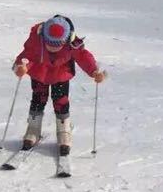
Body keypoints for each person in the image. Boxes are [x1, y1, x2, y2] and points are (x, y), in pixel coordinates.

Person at [12, 15, 106, 157]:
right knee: (38, 100)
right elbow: (27, 55)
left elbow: (83, 56)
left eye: (57, 45)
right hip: (39, 73)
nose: (52, 48)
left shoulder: (72, 43)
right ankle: (33, 129)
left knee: (61, 101)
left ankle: (63, 131)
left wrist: (94, 71)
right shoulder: (37, 39)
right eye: (49, 44)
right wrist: (21, 67)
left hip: (61, 74)